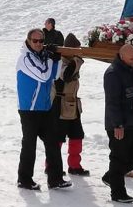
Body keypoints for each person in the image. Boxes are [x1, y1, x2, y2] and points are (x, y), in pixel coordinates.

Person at [16, 28, 71, 191]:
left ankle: (55, 179)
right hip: (29, 109)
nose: (39, 44)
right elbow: (44, 75)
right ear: (28, 41)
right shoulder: (25, 58)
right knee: (29, 145)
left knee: (53, 143)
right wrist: (51, 58)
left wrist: (57, 58)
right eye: (35, 41)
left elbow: (54, 76)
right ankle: (24, 179)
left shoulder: (41, 56)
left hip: (45, 107)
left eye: (41, 41)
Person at [101, 44, 133, 203]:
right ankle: (118, 193)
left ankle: (111, 177)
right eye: (131, 59)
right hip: (119, 123)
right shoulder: (113, 73)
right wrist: (117, 125)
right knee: (119, 157)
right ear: (121, 56)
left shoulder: (129, 69)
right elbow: (112, 102)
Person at [51, 33, 89, 176]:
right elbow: (66, 75)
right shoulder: (60, 62)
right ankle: (52, 166)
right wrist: (78, 60)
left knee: (77, 136)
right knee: (57, 138)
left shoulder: (71, 62)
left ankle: (74, 166)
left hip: (72, 104)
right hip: (59, 105)